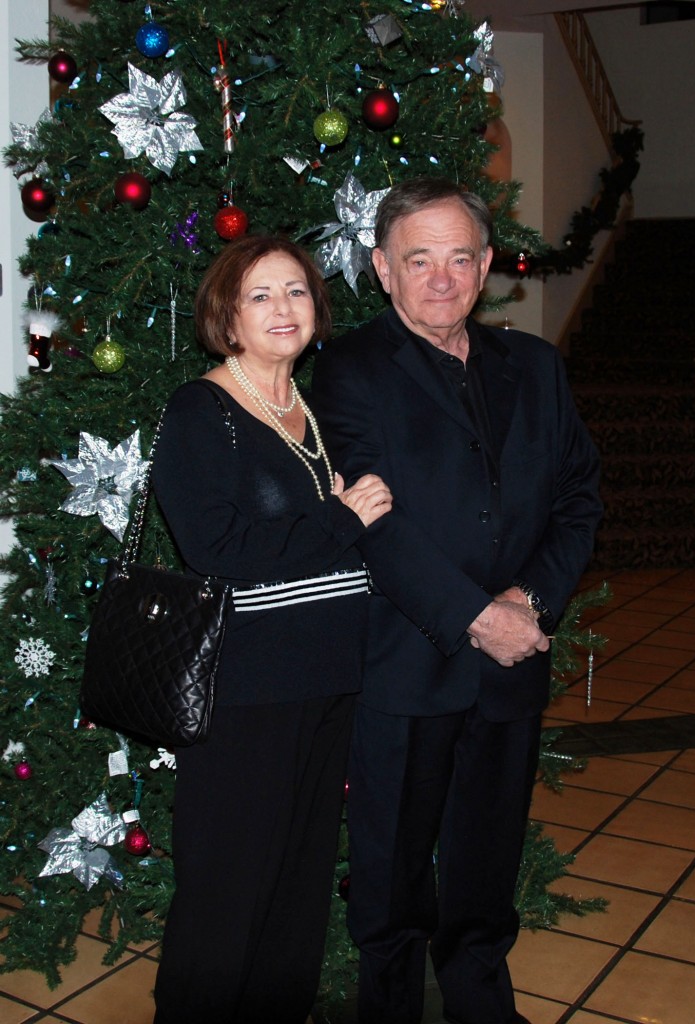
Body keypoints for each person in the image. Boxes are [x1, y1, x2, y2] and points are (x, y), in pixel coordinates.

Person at [311, 177, 602, 1024]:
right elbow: (372, 521)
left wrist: (528, 599)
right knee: (391, 876)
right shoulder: (348, 370)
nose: (442, 278)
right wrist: (480, 617)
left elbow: (577, 497)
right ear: (382, 269)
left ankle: (481, 1005)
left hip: (509, 665)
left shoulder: (535, 366)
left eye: (460, 258)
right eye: (419, 260)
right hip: (407, 663)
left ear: (485, 264)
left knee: (486, 862)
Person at [151, 234, 392, 1024]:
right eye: (259, 295)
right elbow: (216, 549)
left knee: (297, 884)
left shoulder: (308, 408)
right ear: (226, 317)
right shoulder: (202, 410)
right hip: (247, 693)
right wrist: (340, 519)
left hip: (328, 680)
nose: (281, 307)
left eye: (295, 291)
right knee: (228, 888)